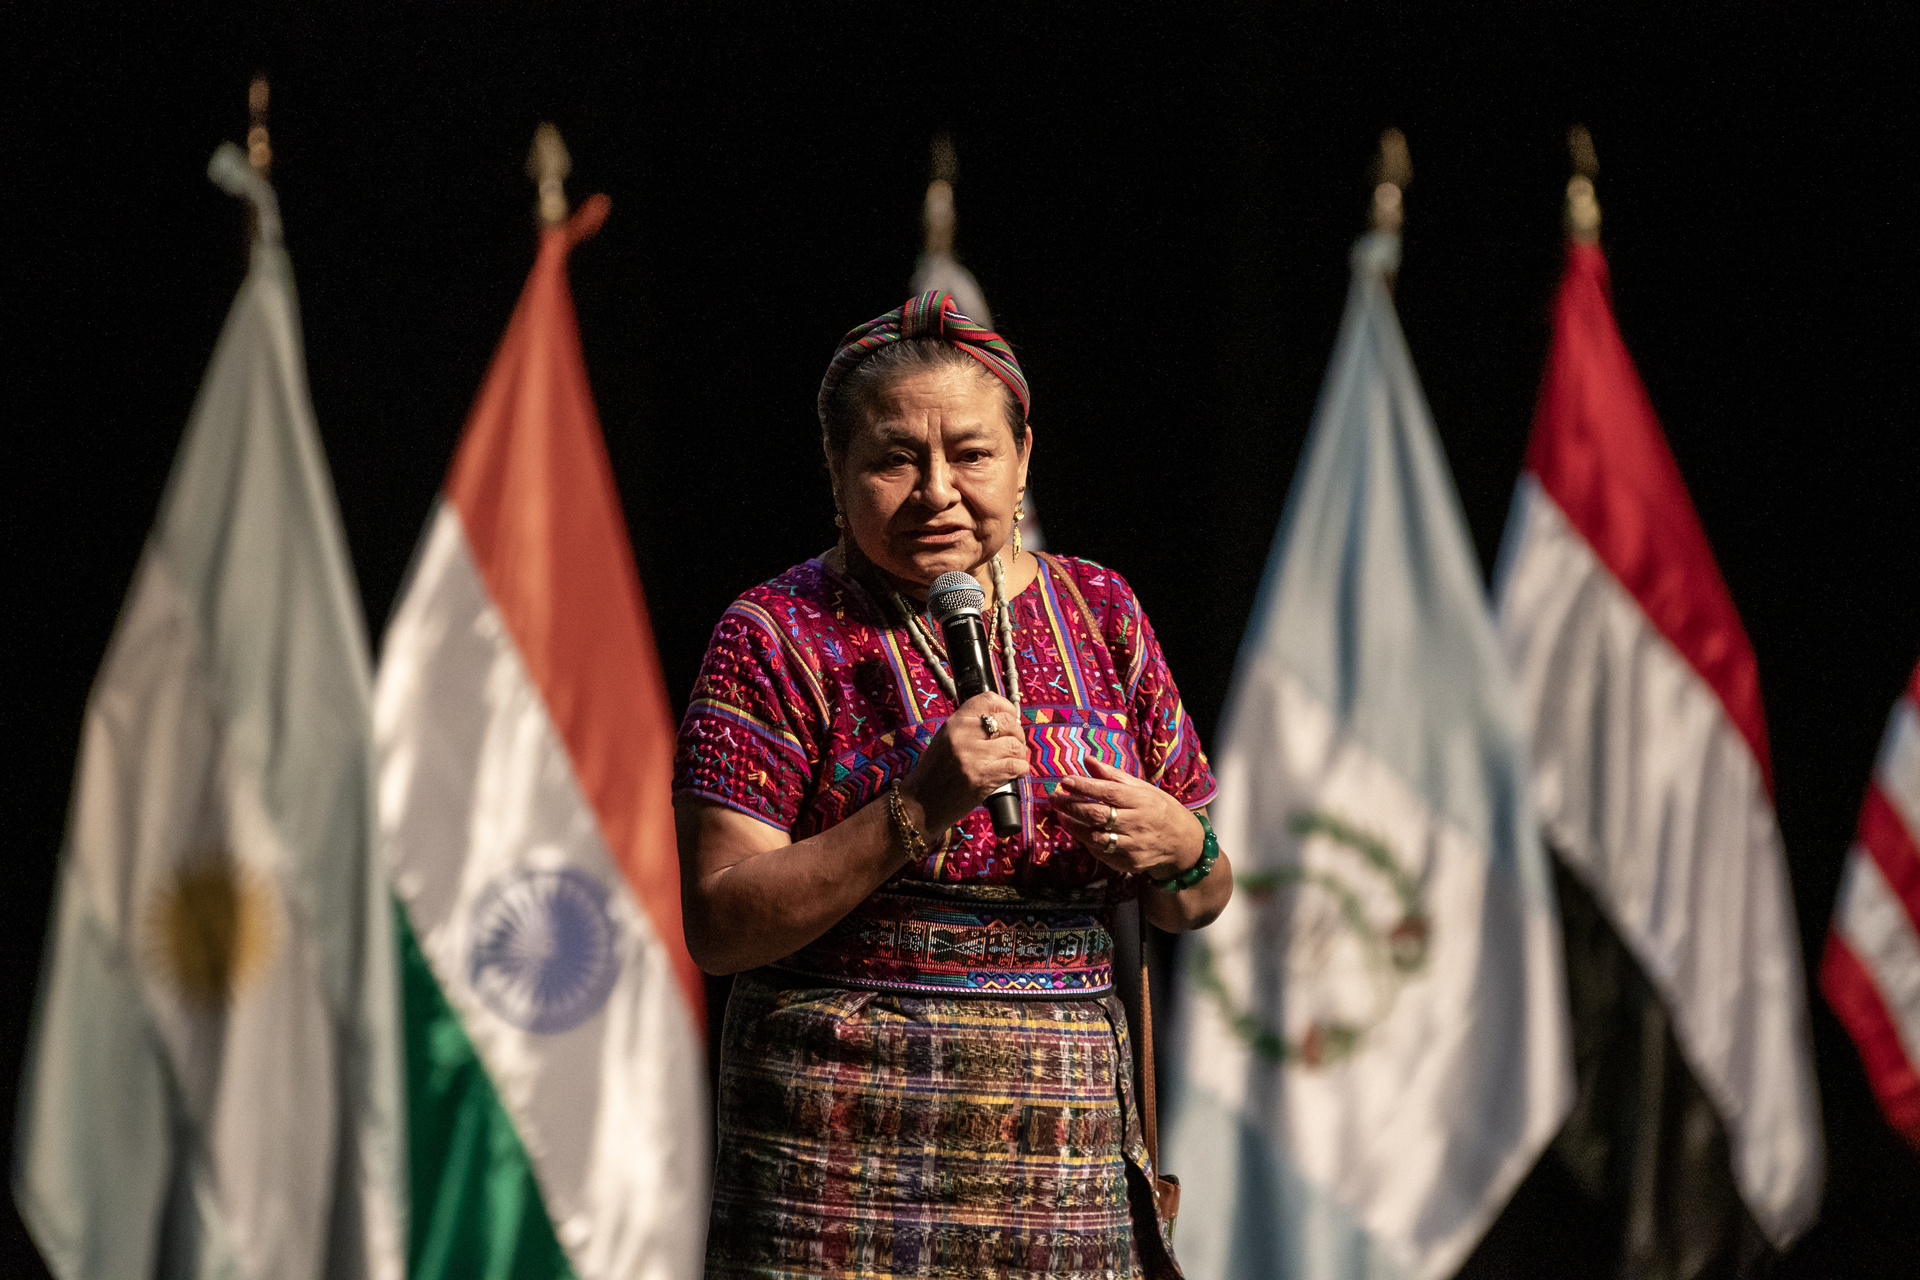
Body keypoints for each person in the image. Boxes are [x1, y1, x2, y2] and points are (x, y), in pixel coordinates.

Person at [673, 291, 1232, 1280]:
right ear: (837, 473)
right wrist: (916, 810)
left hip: (1066, 1172)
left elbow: (1199, 897)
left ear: (1022, 459)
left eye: (970, 453)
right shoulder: (773, 634)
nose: (936, 488)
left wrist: (1183, 847)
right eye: (895, 457)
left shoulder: (1102, 609)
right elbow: (722, 924)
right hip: (834, 1165)